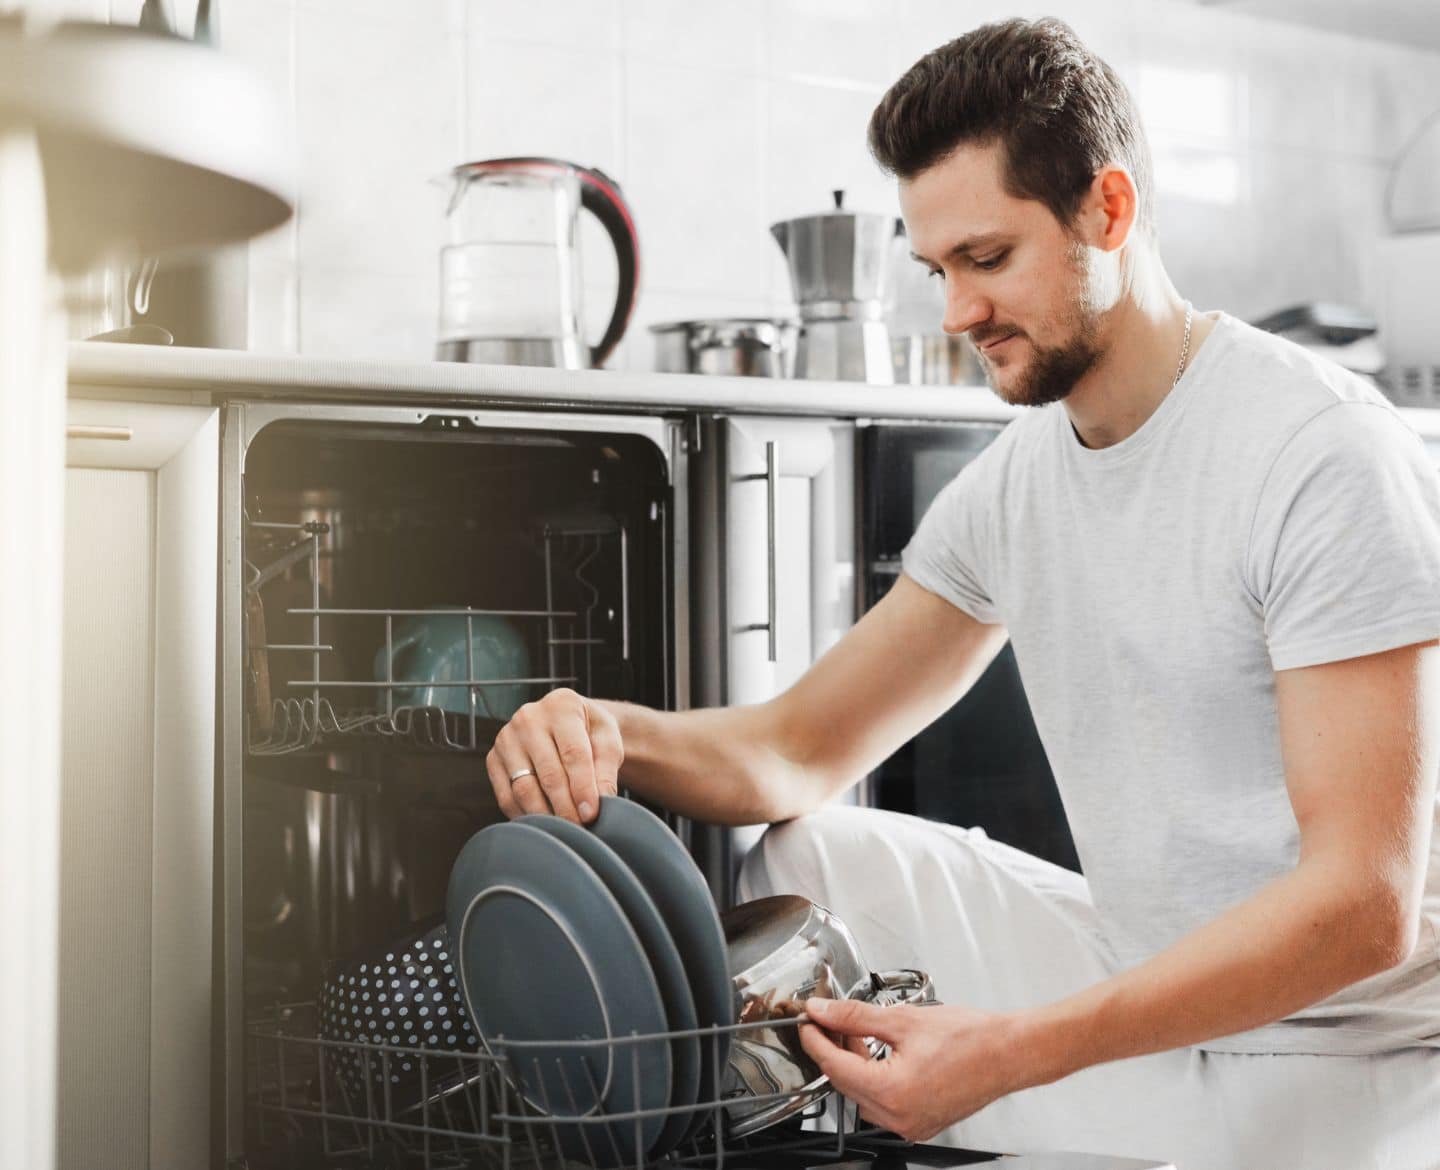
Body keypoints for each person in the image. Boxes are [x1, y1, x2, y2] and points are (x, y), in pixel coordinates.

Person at [482, 18, 1440, 1170]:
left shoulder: (1320, 456)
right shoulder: (1021, 485)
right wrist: (595, 730)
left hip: (1347, 1052)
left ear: (1110, 211)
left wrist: (1015, 1050)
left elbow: (1364, 908)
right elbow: (793, 748)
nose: (956, 316)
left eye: (988, 260)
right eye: (937, 271)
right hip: (1142, 976)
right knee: (806, 856)